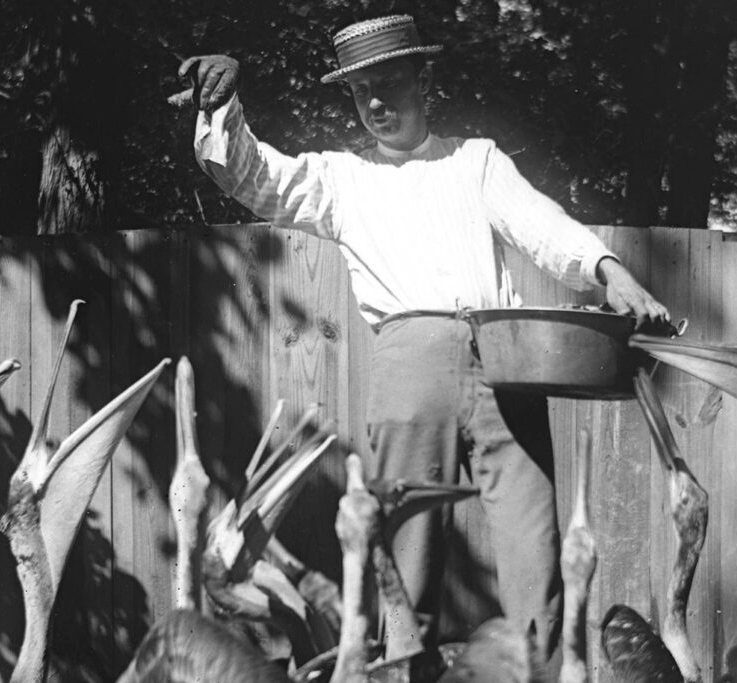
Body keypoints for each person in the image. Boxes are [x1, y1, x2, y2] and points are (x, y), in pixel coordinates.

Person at [179, 13, 669, 662]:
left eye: (390, 82)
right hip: (410, 372)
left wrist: (610, 273)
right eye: (362, 92)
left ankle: (544, 673)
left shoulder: (477, 161)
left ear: (422, 78)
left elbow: (542, 226)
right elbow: (253, 177)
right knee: (405, 562)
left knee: (536, 554)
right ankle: (404, 674)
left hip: (508, 365)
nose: (377, 102)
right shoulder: (343, 181)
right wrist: (222, 106)